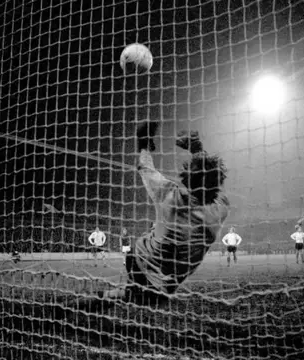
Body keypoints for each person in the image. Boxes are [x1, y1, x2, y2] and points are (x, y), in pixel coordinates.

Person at [90, 120, 230, 307]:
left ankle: (117, 294)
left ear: (186, 177)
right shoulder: (221, 209)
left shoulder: (170, 194)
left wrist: (144, 144)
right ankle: (127, 293)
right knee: (144, 292)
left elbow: (145, 167)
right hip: (166, 286)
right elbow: (209, 179)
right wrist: (197, 149)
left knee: (134, 293)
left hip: (138, 263)